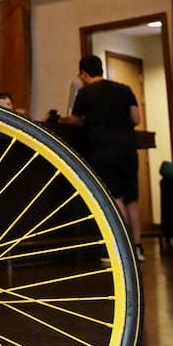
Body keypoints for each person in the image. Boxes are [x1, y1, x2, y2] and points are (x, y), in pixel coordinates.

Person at [70, 55, 144, 262]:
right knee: (132, 199)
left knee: (115, 197)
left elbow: (75, 120)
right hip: (128, 148)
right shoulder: (124, 89)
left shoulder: (84, 93)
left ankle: (122, 249)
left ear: (84, 73)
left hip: (103, 148)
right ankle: (138, 248)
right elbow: (136, 119)